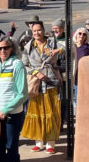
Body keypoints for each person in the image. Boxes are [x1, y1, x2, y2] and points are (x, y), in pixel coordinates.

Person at [20, 21, 63, 154]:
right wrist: (35, 72)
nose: (37, 33)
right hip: (36, 84)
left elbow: (67, 47)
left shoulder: (52, 42)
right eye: (34, 31)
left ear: (44, 31)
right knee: (37, 113)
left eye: (39, 30)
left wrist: (58, 50)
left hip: (51, 81)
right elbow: (24, 65)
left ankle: (51, 143)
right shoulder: (28, 47)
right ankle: (39, 142)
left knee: (51, 113)